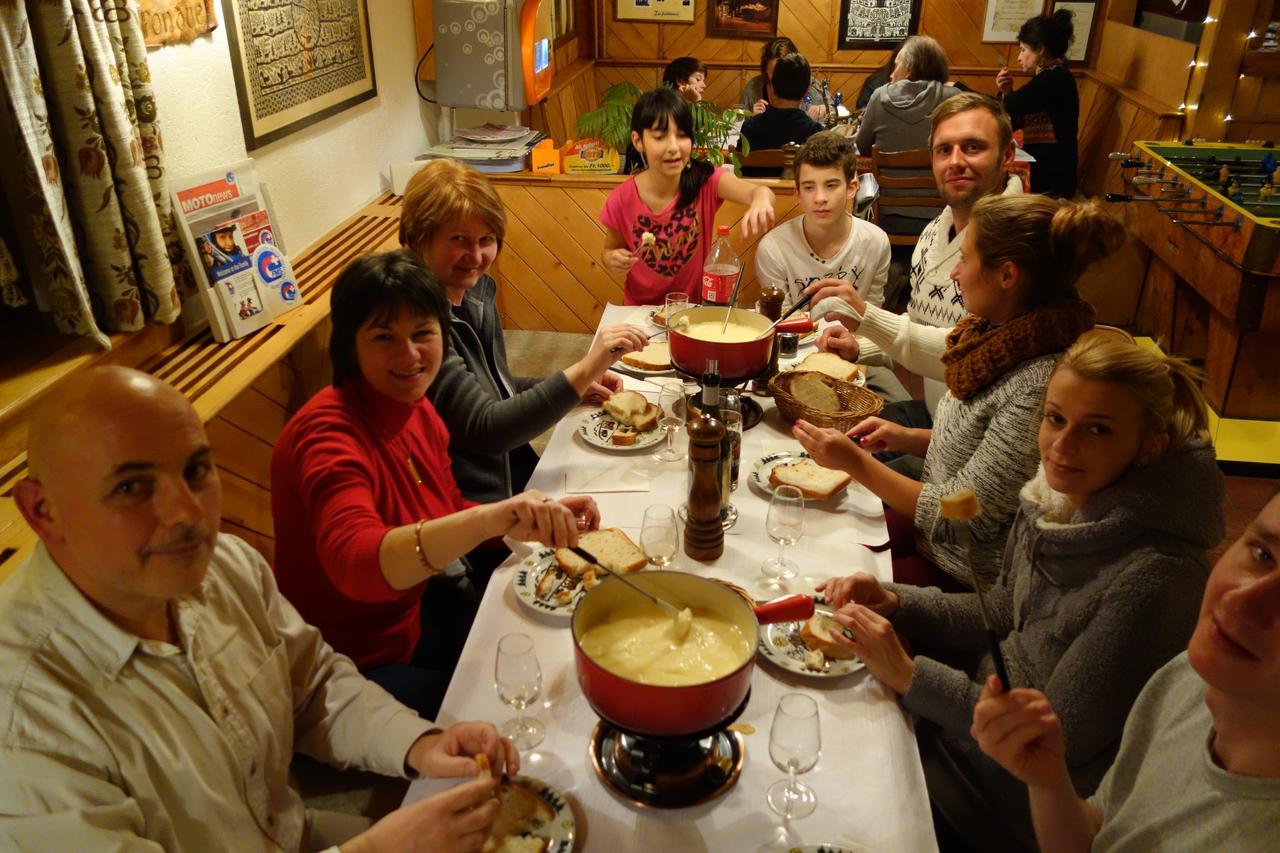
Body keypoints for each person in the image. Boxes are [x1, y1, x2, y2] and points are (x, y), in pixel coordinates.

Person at [1, 365, 520, 851]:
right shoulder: (23, 722)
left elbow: (315, 684)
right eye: (131, 487)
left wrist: (420, 744)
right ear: (43, 512)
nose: (186, 513)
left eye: (196, 469)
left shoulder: (223, 565)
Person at [817, 333, 1225, 845]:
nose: (1062, 446)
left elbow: (1047, 742)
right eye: (1055, 419)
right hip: (967, 735)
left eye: (1096, 429)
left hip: (1004, 806)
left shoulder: (1156, 579)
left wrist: (908, 675)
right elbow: (1007, 608)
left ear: (1150, 448)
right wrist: (897, 601)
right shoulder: (1055, 497)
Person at [272, 251, 601, 718]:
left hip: (414, 613)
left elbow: (446, 508)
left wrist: (517, 520)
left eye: (422, 333)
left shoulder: (416, 408)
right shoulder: (326, 435)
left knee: (557, 644)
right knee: (516, 705)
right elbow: (356, 562)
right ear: (350, 346)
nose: (409, 356)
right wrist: (492, 515)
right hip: (346, 665)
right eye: (384, 337)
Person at [794, 195, 1116, 589]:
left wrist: (855, 463)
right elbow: (985, 455)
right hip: (932, 539)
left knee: (816, 573)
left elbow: (962, 516)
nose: (954, 274)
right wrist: (907, 438)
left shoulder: (1037, 382)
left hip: (962, 573)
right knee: (814, 532)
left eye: (965, 259)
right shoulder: (993, 334)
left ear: (1007, 276)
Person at [972, 491, 1280, 851]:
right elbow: (1098, 831)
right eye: (1264, 555)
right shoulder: (1186, 679)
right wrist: (1048, 781)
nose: (1240, 601)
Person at [401, 159, 647, 513]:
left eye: (486, 240)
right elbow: (488, 428)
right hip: (468, 508)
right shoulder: (418, 326)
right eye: (458, 239)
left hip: (508, 473)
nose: (475, 255)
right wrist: (584, 369)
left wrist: (575, 384)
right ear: (419, 237)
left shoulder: (469, 295)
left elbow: (494, 386)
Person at [805, 93, 1022, 479]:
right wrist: (861, 347)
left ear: (1007, 155)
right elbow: (920, 321)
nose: (956, 161)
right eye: (944, 150)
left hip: (973, 451)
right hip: (936, 418)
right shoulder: (938, 229)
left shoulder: (1020, 243)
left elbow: (970, 354)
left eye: (973, 147)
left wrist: (867, 316)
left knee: (837, 480)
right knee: (813, 436)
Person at [753, 132, 907, 404]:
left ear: (852, 188)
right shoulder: (773, 248)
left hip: (859, 352)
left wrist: (855, 361)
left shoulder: (875, 241)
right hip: (796, 359)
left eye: (831, 185)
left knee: (897, 406)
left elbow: (872, 316)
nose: (820, 198)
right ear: (797, 192)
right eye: (809, 187)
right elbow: (783, 330)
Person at [601, 87, 776, 305]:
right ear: (637, 141)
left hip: (693, 311)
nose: (674, 147)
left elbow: (760, 192)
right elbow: (610, 250)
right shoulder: (621, 199)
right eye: (659, 137)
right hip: (639, 313)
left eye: (682, 136)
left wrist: (760, 200)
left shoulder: (705, 180)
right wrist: (612, 259)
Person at [855, 35, 961, 238]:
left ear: (909, 69)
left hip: (887, 214)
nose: (891, 75)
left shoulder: (879, 96)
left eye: (896, 67)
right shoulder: (954, 99)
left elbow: (862, 146)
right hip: (943, 215)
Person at [996, 9, 1079, 198]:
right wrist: (1007, 92)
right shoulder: (1053, 74)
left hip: (1054, 178)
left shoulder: (1054, 77)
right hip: (1048, 168)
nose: (1019, 57)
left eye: (1023, 50)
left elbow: (1010, 107)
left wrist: (959, 86)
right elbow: (1017, 117)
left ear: (1041, 49)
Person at [739, 52, 826, 156]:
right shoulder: (817, 135)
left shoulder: (749, 128)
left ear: (773, 87)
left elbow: (739, 167)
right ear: (806, 90)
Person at [740, 36, 825, 117]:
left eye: (785, 72)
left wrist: (824, 109)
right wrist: (753, 118)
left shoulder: (806, 82)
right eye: (774, 72)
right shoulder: (753, 88)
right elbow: (740, 123)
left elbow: (835, 109)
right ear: (765, 69)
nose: (779, 77)